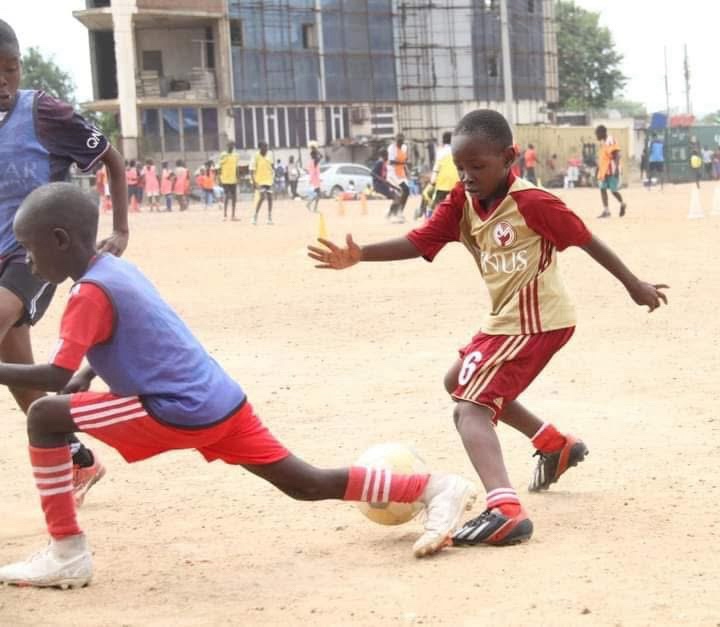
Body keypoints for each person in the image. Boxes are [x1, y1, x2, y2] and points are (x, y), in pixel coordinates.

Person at [0, 182, 477, 588]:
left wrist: (67, 379)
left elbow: (52, 378)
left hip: (176, 408)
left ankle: (66, 551)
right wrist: (88, 375)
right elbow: (135, 338)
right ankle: (435, 487)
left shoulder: (87, 292)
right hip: (219, 400)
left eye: (28, 246)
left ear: (60, 240)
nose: (25, 258)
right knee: (305, 483)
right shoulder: (115, 269)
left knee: (44, 415)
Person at [308, 109, 668, 547]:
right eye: (461, 167)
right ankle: (553, 443)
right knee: (457, 380)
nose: (468, 176)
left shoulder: (533, 203)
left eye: (478, 166)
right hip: (505, 321)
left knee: (469, 408)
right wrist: (360, 254)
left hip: (536, 321)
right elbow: (421, 241)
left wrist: (634, 285)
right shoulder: (461, 202)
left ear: (508, 158)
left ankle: (506, 509)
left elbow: (585, 238)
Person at [0, 19, 129, 507]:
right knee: (17, 375)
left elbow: (112, 159)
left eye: (11, 69)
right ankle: (79, 459)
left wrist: (121, 229)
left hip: (32, 254)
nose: (4, 82)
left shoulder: (44, 113)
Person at [595, 125, 627, 218]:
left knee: (613, 191)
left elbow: (617, 155)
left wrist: (616, 169)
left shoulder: (610, 140)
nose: (596, 136)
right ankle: (606, 211)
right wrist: (598, 169)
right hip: (603, 171)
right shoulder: (602, 143)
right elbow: (603, 158)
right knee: (602, 189)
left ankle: (622, 203)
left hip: (612, 170)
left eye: (597, 133)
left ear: (602, 133)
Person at [429, 131, 460, 217]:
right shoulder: (458, 151)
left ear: (443, 141)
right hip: (456, 182)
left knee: (437, 204)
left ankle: (431, 219)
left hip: (443, 182)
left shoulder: (440, 151)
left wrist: (433, 180)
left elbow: (437, 167)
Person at [387, 133, 410, 222]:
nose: (400, 143)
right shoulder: (391, 148)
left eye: (401, 141)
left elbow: (405, 159)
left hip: (401, 173)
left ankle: (392, 212)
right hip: (393, 174)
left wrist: (406, 169)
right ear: (396, 140)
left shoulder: (404, 147)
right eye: (398, 141)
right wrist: (403, 163)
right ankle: (398, 213)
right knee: (404, 191)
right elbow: (392, 162)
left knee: (404, 193)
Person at [250, 141, 274, 225]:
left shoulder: (270, 154)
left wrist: (272, 175)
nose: (266, 148)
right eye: (265, 147)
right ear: (260, 147)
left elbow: (271, 166)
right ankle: (255, 216)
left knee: (270, 197)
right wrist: (254, 182)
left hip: (269, 180)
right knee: (262, 197)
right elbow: (251, 170)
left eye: (267, 146)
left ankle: (269, 217)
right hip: (259, 181)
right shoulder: (256, 156)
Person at [218, 141, 239, 221]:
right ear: (227, 145)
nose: (232, 146)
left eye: (233, 145)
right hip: (225, 179)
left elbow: (236, 167)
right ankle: (225, 215)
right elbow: (219, 166)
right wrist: (219, 177)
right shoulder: (223, 155)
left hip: (233, 179)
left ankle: (233, 215)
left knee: (234, 197)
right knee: (227, 195)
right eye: (230, 145)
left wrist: (237, 177)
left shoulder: (236, 155)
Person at [305, 146, 322, 213]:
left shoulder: (311, 162)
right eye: (316, 154)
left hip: (313, 180)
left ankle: (310, 205)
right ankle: (311, 206)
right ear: (314, 155)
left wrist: (315, 150)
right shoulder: (315, 161)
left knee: (318, 194)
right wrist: (316, 150)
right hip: (315, 181)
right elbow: (321, 156)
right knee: (318, 194)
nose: (317, 155)